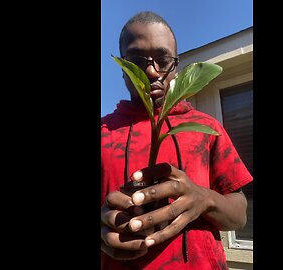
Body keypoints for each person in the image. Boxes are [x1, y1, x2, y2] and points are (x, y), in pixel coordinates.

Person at [101, 11, 253, 270]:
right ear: (122, 67)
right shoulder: (104, 131)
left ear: (176, 67)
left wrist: (203, 198)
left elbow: (239, 216)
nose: (151, 70)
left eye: (163, 59)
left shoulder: (207, 128)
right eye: (137, 60)